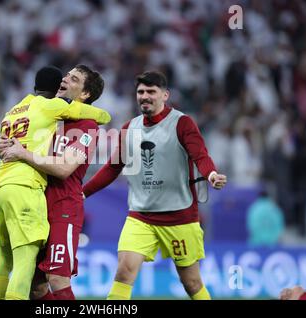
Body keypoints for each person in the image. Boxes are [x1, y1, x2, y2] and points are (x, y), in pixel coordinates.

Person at [82, 71, 227, 300]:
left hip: (179, 216)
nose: (145, 96)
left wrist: (211, 175)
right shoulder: (129, 128)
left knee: (191, 282)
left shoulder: (182, 123)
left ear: (165, 95)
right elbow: (112, 167)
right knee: (124, 271)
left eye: (151, 91)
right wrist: (82, 193)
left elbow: (201, 155)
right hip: (141, 216)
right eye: (141, 92)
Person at [0, 66, 111, 300]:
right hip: (35, 200)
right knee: (36, 285)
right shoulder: (49, 115)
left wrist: (24, 154)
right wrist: (2, 148)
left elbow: (64, 168)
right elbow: (11, 141)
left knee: (56, 278)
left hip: (63, 207)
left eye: (73, 79)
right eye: (66, 75)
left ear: (85, 94)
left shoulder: (87, 127)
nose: (64, 79)